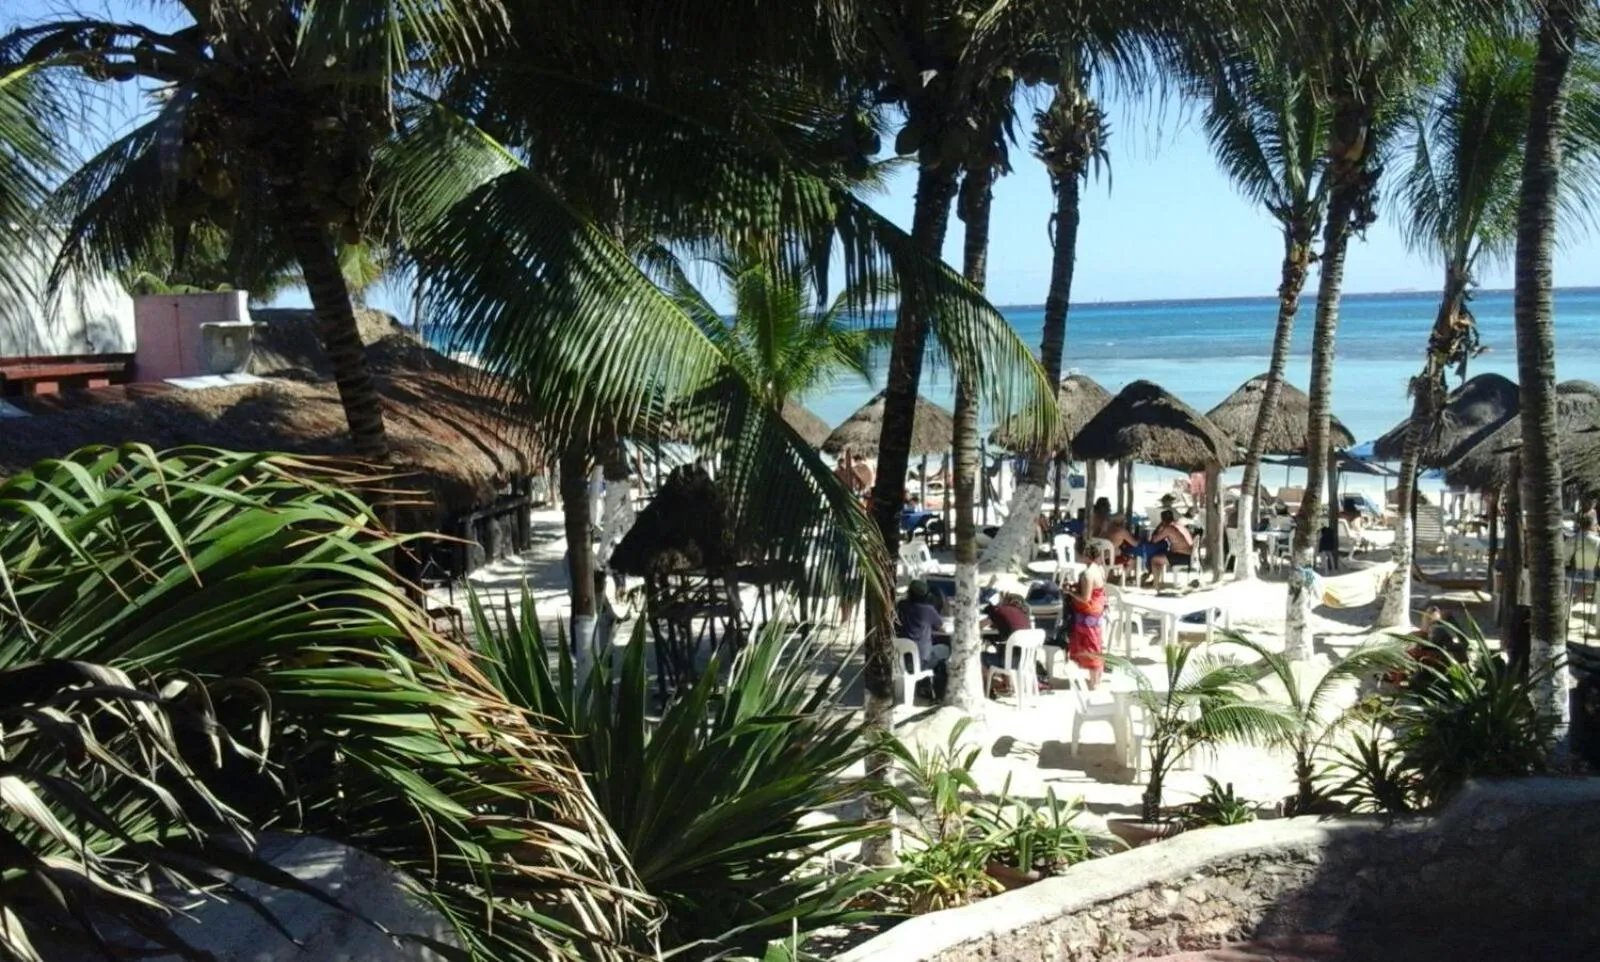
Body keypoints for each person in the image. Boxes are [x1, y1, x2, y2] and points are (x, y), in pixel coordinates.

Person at [1066, 542, 1108, 688]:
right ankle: (1097, 678)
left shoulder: (1087, 574)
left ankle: (1094, 681)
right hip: (1097, 611)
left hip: (1087, 612)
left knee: (1089, 645)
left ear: (1085, 555)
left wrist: (1069, 592)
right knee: (1096, 643)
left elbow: (1085, 598)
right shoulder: (1099, 569)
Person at [895, 579, 947, 669]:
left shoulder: (901, 605)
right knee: (946, 649)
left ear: (909, 593)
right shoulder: (928, 610)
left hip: (902, 659)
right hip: (922, 661)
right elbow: (943, 629)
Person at [1148, 509, 1196, 584]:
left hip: (1182, 557)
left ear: (1163, 520)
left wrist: (1159, 527)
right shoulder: (1179, 526)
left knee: (1154, 559)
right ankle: (1156, 581)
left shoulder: (1168, 528)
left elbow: (1154, 540)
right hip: (1189, 555)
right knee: (1160, 557)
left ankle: (1156, 585)